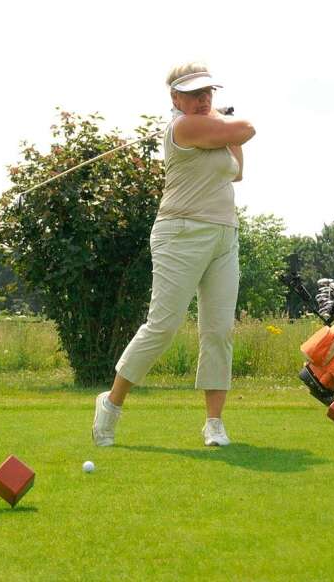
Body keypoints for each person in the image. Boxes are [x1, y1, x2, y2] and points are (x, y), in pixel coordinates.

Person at [91, 62, 256, 447]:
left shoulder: (209, 126)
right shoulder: (183, 127)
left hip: (224, 235)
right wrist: (222, 119)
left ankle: (214, 423)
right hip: (180, 233)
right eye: (194, 94)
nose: (203, 99)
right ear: (175, 98)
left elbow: (237, 171)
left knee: (218, 330)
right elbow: (246, 129)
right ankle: (111, 404)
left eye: (208, 93)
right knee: (163, 326)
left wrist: (222, 123)